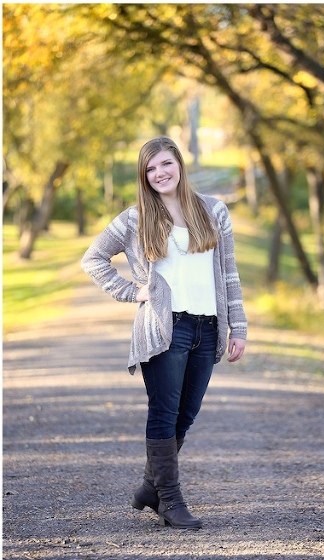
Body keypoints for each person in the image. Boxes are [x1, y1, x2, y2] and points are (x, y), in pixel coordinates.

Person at [82, 136, 247, 530]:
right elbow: (93, 259)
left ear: (179, 164)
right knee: (164, 413)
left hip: (207, 328)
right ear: (144, 176)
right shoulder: (135, 219)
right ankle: (169, 499)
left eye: (165, 164)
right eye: (150, 169)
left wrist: (238, 325)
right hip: (164, 328)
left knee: (186, 415)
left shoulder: (213, 210)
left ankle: (148, 487)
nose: (159, 173)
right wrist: (132, 291)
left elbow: (229, 272)